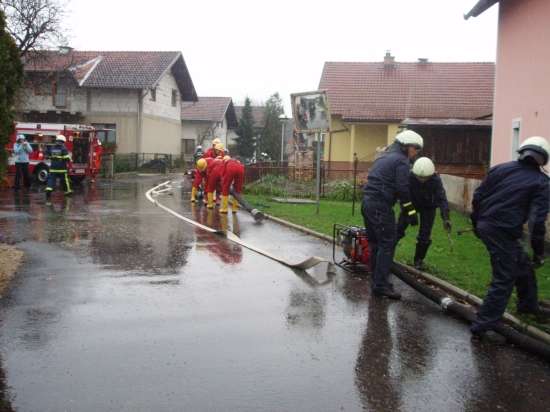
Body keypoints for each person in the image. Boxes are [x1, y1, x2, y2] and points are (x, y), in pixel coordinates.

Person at [470, 136, 550, 339]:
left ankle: (528, 306)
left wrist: (476, 223)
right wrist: (539, 251)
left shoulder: (500, 169)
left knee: (523, 264)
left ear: (522, 152)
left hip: (488, 225)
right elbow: (536, 222)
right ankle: (482, 325)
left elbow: (478, 197)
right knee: (505, 276)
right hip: (502, 231)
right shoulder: (541, 182)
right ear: (543, 159)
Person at [362, 130, 423, 300]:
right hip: (381, 206)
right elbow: (402, 189)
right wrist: (411, 212)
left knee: (376, 244)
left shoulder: (383, 158)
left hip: (367, 204)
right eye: (416, 149)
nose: (416, 153)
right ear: (406, 146)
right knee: (387, 244)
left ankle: (376, 281)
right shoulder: (401, 161)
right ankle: (381, 285)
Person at [396, 157, 451, 269]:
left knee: (425, 235)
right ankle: (387, 253)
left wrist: (446, 218)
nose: (422, 179)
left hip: (428, 207)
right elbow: (403, 196)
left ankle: (419, 260)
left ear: (431, 174)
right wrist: (411, 212)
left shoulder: (436, 180)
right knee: (398, 229)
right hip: (410, 204)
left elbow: (442, 199)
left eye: (425, 177)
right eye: (419, 177)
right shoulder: (409, 177)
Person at [45, 134, 72, 202]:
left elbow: (47, 155)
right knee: (65, 180)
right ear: (63, 141)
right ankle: (67, 191)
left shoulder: (52, 148)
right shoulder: (63, 148)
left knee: (51, 179)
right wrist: (69, 159)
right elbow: (66, 158)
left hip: (53, 168)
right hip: (62, 168)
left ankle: (48, 189)